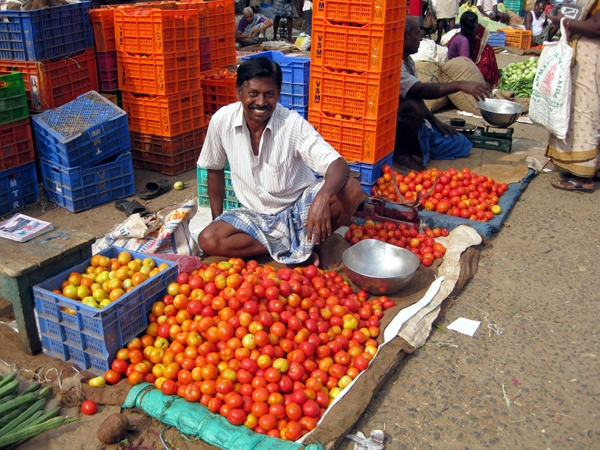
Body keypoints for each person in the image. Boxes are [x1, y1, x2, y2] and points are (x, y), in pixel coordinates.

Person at [196, 57, 367, 265]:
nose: (260, 102)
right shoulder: (222, 120)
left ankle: (307, 243)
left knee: (351, 189)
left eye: (269, 94)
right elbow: (214, 169)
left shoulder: (291, 123)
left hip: (299, 210)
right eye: (253, 94)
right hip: (254, 215)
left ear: (278, 94)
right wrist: (218, 218)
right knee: (208, 238)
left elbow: (338, 166)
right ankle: (296, 247)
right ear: (238, 92)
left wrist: (322, 198)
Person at [394, 17, 492, 172]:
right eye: (417, 34)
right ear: (405, 37)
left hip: (417, 122)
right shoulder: (396, 65)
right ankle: (402, 155)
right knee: (414, 107)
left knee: (463, 144)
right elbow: (420, 91)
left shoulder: (409, 61)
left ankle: (419, 148)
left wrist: (436, 122)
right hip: (397, 124)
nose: (421, 38)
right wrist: (460, 85)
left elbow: (418, 97)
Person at [546, 0, 600, 192]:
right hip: (590, 54)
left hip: (590, 58)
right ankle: (594, 167)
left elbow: (596, 26)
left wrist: (565, 21)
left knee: (583, 112)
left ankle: (582, 177)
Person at [448, 11, 500, 87]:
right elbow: (465, 65)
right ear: (470, 25)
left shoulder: (460, 36)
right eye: (475, 23)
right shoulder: (463, 41)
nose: (477, 25)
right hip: (456, 72)